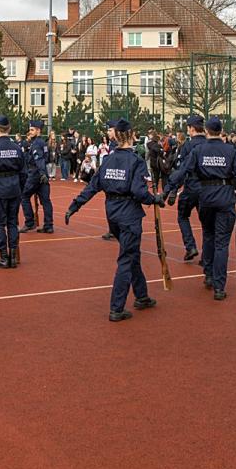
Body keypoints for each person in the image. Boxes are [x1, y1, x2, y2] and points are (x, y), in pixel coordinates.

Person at [65, 118, 165, 321]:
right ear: (131, 135)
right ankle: (116, 307)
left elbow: (93, 186)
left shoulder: (108, 159)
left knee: (131, 253)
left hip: (112, 213)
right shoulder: (135, 161)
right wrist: (154, 199)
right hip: (129, 214)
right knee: (127, 259)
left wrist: (75, 206)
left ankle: (142, 295)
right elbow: (139, 191)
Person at [166, 117, 236, 300]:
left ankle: (209, 274)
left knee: (209, 235)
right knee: (221, 243)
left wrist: (168, 189)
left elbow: (183, 170)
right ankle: (219, 286)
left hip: (206, 197)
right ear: (220, 131)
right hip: (225, 197)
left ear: (207, 131)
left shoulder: (199, 150)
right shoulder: (230, 150)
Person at [0, 115, 27, 268]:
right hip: (14, 188)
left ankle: (3, 256)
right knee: (12, 223)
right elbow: (24, 172)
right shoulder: (17, 147)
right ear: (9, 129)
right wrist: (20, 188)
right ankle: (13, 257)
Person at [162, 115, 206, 262]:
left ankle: (190, 246)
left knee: (183, 216)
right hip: (207, 189)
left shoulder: (187, 146)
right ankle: (206, 255)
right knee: (207, 224)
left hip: (191, 187)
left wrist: (171, 190)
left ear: (191, 128)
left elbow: (182, 170)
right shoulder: (209, 144)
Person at [19, 120, 54, 233]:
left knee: (24, 197)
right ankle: (49, 225)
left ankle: (29, 222)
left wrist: (42, 173)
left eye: (32, 130)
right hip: (42, 175)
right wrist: (44, 174)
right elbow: (46, 159)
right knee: (46, 201)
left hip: (35, 174)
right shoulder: (43, 143)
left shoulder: (36, 144)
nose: (30, 132)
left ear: (38, 131)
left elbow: (39, 159)